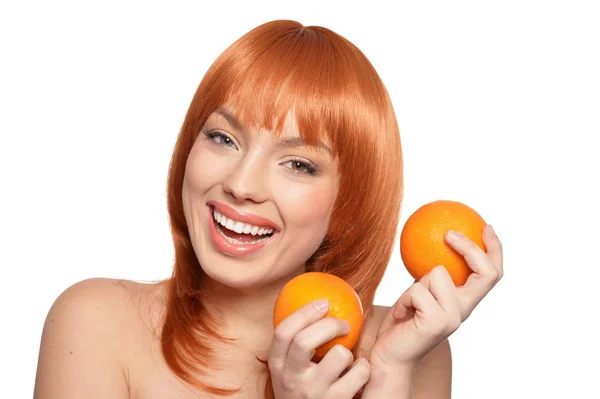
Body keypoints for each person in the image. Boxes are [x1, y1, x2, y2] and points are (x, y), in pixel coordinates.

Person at [33, 20, 503, 398]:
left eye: (298, 164)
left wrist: (390, 377)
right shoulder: (95, 323)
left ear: (350, 202)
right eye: (223, 138)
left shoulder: (408, 350)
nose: (240, 184)